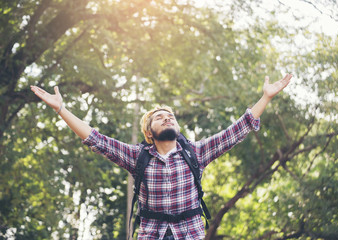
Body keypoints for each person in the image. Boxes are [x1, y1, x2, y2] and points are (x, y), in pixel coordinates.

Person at [30, 74, 292, 240]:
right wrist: (62, 109)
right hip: (150, 235)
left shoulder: (195, 153)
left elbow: (236, 130)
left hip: (189, 234)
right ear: (149, 133)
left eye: (171, 116)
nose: (167, 117)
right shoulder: (137, 157)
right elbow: (95, 139)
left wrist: (266, 97)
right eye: (159, 117)